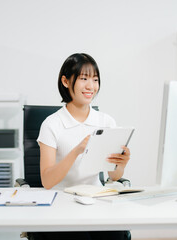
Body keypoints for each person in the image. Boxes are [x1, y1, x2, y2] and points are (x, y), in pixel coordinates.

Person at [29, 53, 131, 240]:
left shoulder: (106, 121)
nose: (91, 86)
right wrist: (76, 151)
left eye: (95, 79)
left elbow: (113, 176)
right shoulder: (52, 124)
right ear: (66, 82)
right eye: (84, 79)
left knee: (116, 235)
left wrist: (121, 165)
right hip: (61, 202)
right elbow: (47, 181)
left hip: (97, 200)